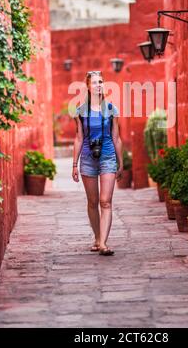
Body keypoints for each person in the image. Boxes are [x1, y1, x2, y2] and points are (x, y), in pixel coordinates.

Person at [72, 71, 123, 256]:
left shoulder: (111, 109)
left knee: (105, 201)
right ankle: (97, 237)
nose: (98, 85)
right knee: (92, 202)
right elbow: (78, 138)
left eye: (101, 82)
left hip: (108, 156)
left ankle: (103, 243)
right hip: (87, 158)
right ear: (88, 86)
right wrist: (74, 164)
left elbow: (116, 137)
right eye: (94, 82)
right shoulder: (80, 111)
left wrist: (121, 162)